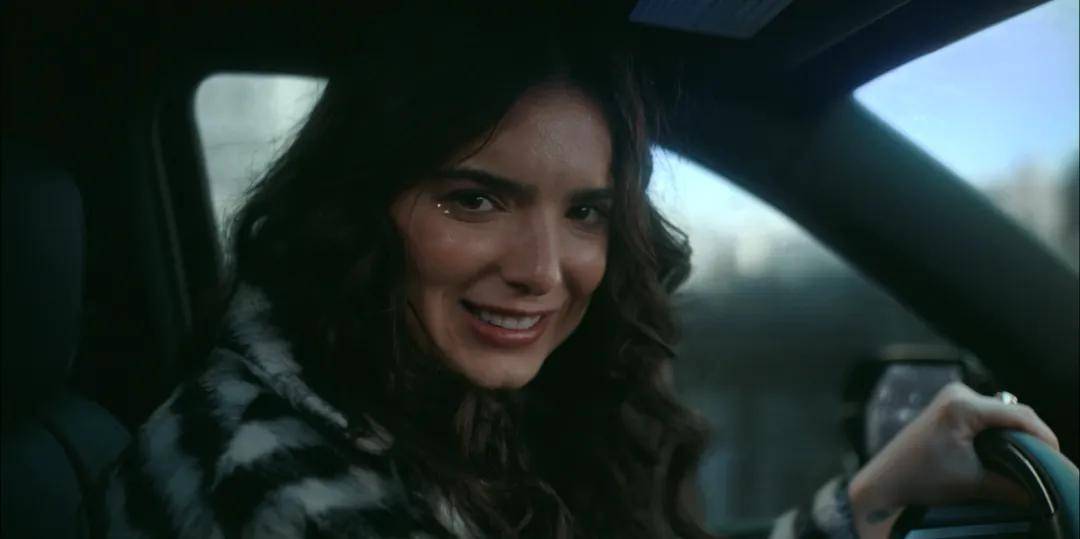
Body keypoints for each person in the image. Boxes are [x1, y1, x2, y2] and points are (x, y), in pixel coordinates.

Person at [101, 5, 1063, 538]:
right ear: (358, 210)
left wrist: (870, 498)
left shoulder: (418, 406)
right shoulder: (275, 477)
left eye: (585, 213)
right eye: (474, 199)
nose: (544, 271)